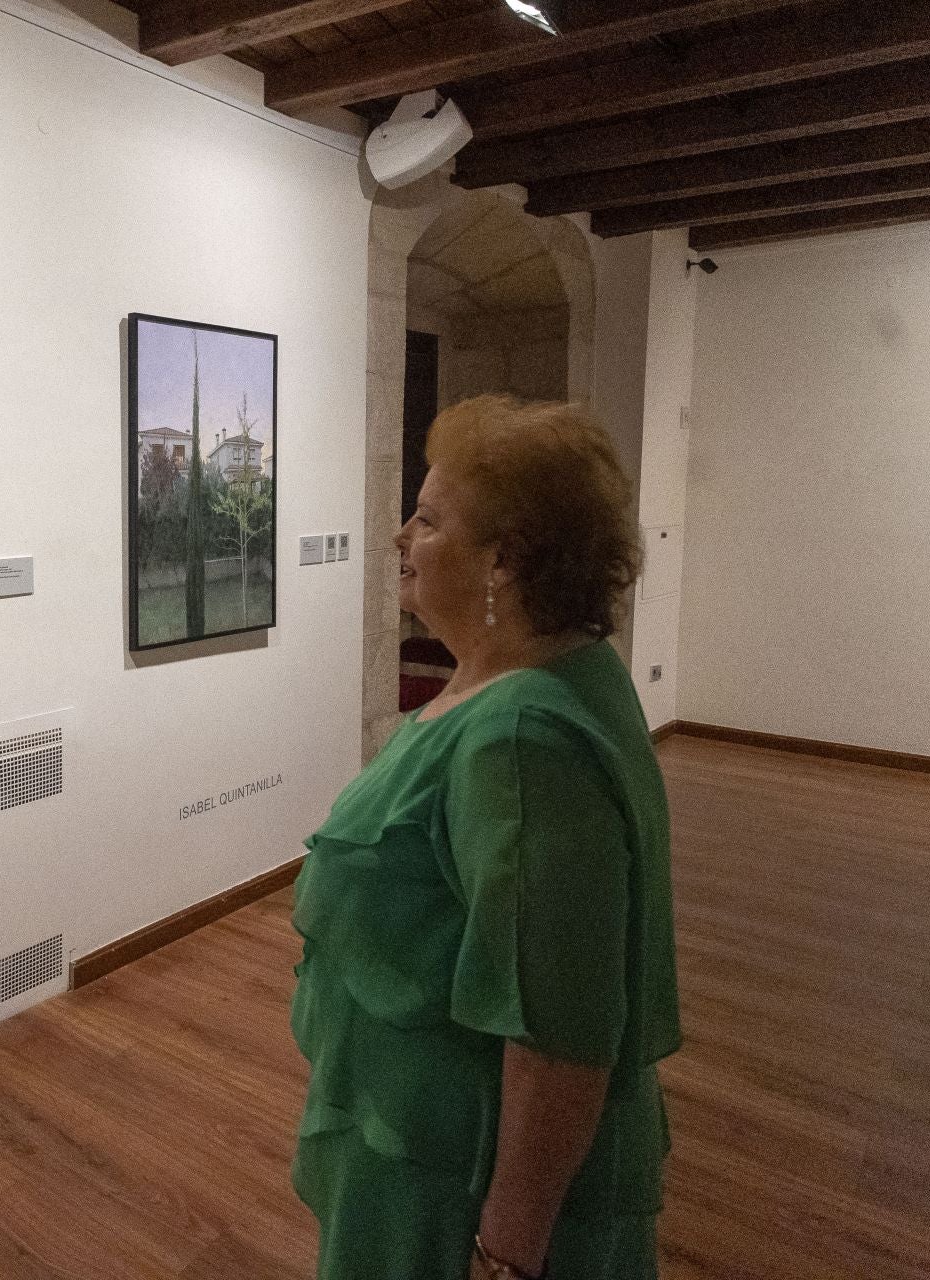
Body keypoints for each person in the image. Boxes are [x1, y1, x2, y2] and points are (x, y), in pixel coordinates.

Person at [291, 394, 681, 1280]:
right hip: (421, 1135)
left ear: (503, 558)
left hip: (453, 1178)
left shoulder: (520, 738)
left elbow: (559, 1038)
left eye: (428, 520)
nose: (398, 537)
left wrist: (506, 1251)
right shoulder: (556, 671)